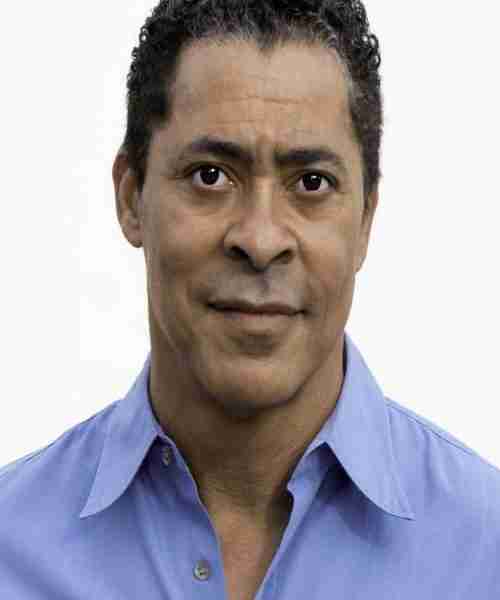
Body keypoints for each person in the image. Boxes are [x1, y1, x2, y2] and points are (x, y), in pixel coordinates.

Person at [1, 0, 499, 597]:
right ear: (131, 197)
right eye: (210, 175)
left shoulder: (486, 551)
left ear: (366, 220)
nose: (260, 241)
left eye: (311, 182)